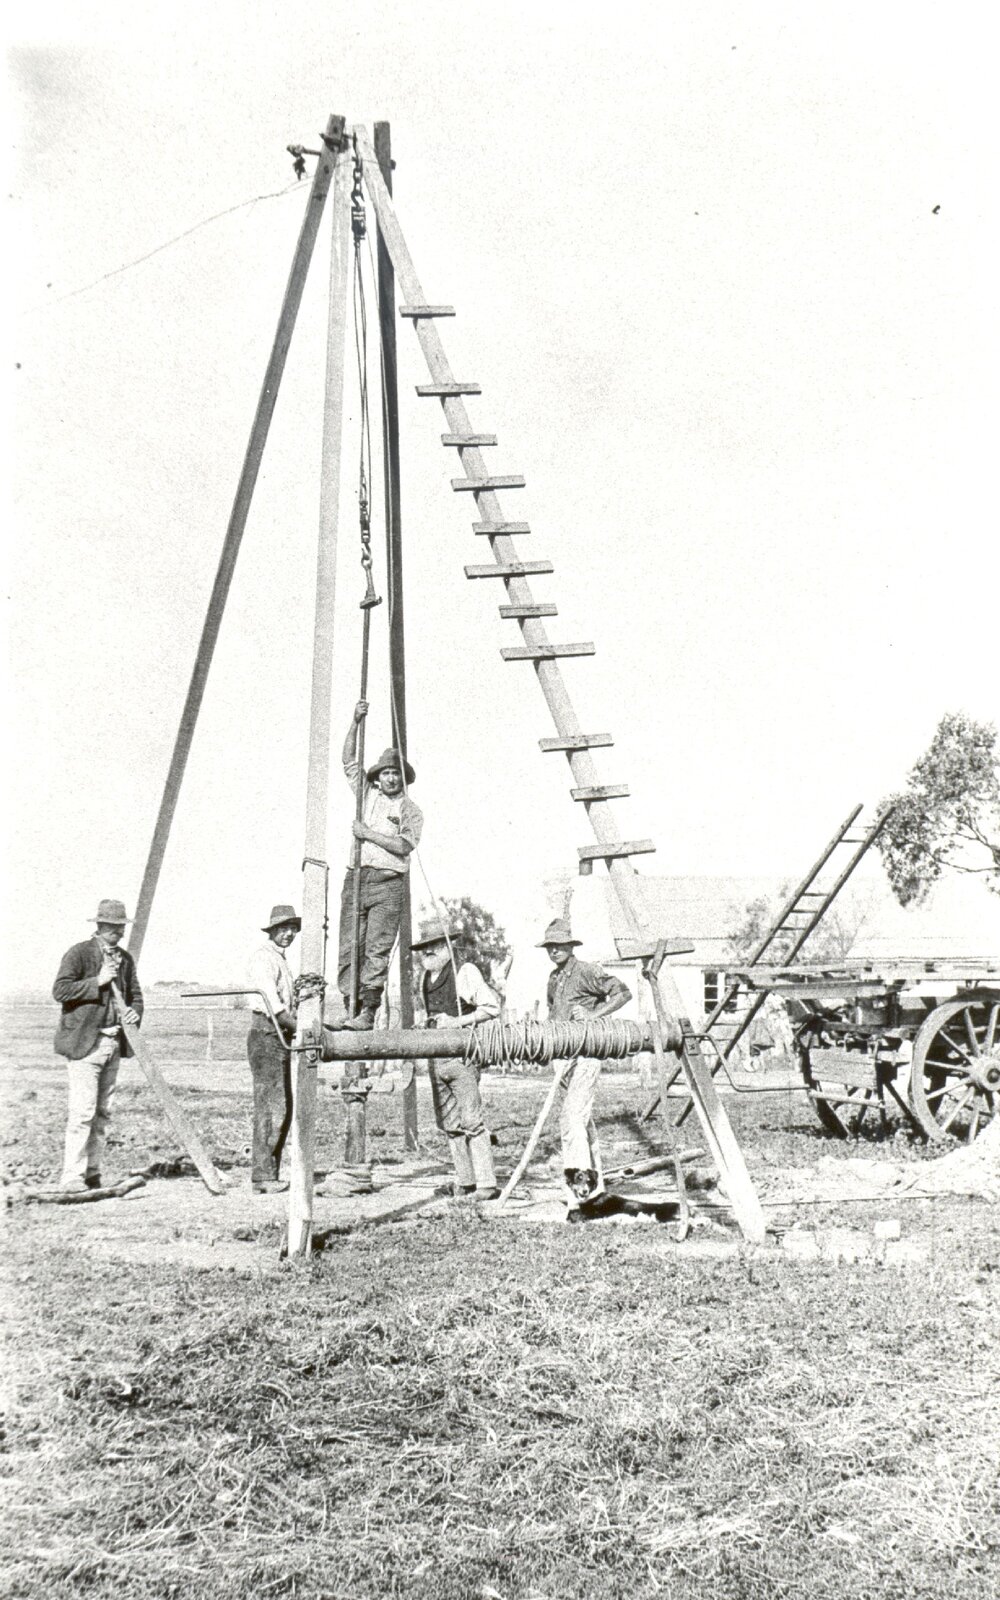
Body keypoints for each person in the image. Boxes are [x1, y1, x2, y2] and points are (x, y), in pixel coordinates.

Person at [335, 699, 423, 1030]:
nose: (389, 779)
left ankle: (367, 1013)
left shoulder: (411, 810)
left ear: (403, 778)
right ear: (378, 776)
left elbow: (403, 845)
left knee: (376, 949)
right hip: (356, 880)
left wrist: (368, 835)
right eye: (385, 773)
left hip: (388, 884)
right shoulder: (367, 796)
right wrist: (355, 721)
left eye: (395, 774)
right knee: (349, 946)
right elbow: (348, 760)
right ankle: (349, 1008)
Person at [52, 898, 143, 1193]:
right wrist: (98, 981)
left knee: (103, 1112)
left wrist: (134, 1012)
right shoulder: (79, 954)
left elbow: (137, 996)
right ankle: (71, 1176)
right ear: (99, 925)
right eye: (112, 927)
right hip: (85, 1045)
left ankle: (93, 1172)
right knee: (82, 1112)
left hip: (113, 1043)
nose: (117, 932)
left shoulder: (125, 960)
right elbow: (61, 990)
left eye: (121, 927)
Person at [539, 917, 631, 1207]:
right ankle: (596, 1184)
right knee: (583, 1122)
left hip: (586, 1055)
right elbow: (554, 1013)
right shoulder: (554, 978)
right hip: (561, 1058)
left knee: (571, 1120)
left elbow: (623, 992)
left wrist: (594, 1015)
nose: (554, 951)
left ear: (570, 945)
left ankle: (578, 1190)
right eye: (549, 946)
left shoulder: (588, 972)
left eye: (559, 945)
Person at [413, 917, 501, 1200]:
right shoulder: (424, 978)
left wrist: (457, 1021)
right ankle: (465, 1182)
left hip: (462, 1059)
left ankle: (486, 1185)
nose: (428, 952)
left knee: (472, 1121)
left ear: (448, 946)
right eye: (425, 947)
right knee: (450, 1126)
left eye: (435, 946)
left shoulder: (465, 972)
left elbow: (491, 1008)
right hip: (436, 1060)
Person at [246, 904, 300, 1195]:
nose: (288, 934)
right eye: (283, 929)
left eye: (292, 929)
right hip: (267, 1033)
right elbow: (274, 1007)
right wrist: (300, 1027)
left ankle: (269, 1172)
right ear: (273, 931)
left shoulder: (281, 960)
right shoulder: (263, 959)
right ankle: (263, 1176)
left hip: (278, 1036)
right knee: (271, 1107)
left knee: (283, 1106)